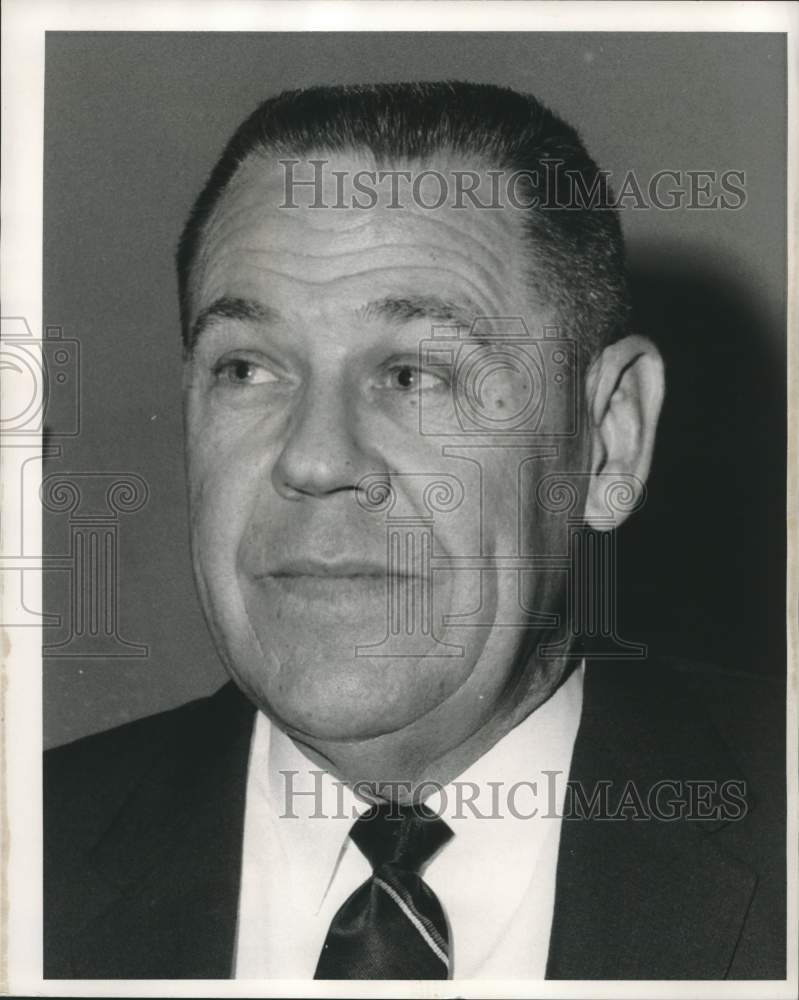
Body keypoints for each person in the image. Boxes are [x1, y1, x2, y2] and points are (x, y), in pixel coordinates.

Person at [44, 81, 785, 981]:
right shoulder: (31, 855)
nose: (314, 460)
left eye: (417, 375)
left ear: (608, 438)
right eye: (246, 369)